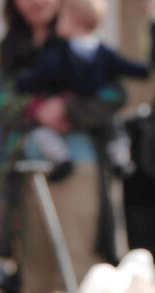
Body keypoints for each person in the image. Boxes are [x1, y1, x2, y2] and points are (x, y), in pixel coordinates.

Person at [0, 0, 129, 293]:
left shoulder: (82, 41)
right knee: (35, 276)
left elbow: (114, 95)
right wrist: (35, 109)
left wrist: (67, 108)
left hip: (78, 166)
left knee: (79, 271)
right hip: (23, 169)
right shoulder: (10, 47)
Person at [14, 0, 155, 177]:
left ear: (73, 20)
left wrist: (66, 105)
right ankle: (64, 158)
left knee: (114, 128)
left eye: (62, 16)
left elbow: (133, 78)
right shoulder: (64, 53)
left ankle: (118, 160)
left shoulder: (70, 53)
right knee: (44, 134)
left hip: (89, 127)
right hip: (69, 124)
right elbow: (34, 78)